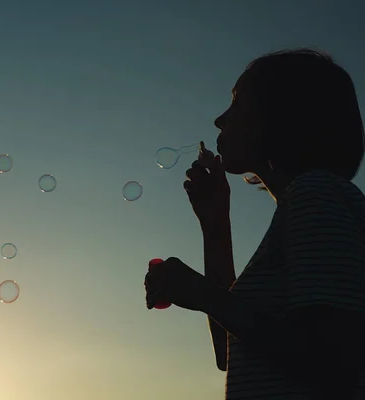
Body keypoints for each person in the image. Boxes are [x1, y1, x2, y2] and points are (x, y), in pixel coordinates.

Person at [144, 48, 365, 399]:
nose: (220, 119)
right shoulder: (303, 207)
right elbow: (227, 354)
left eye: (237, 103)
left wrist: (202, 293)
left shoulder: (316, 194)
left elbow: (333, 359)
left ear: (283, 115)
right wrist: (215, 224)